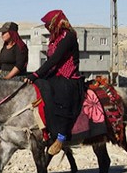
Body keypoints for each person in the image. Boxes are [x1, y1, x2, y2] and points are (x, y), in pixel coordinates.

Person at [24, 10, 83, 156]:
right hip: (55, 74)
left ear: (55, 22)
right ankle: (46, 129)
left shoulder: (68, 36)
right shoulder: (55, 38)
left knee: (60, 95)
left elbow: (54, 59)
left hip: (69, 77)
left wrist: (36, 74)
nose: (46, 27)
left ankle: (61, 137)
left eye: (47, 24)